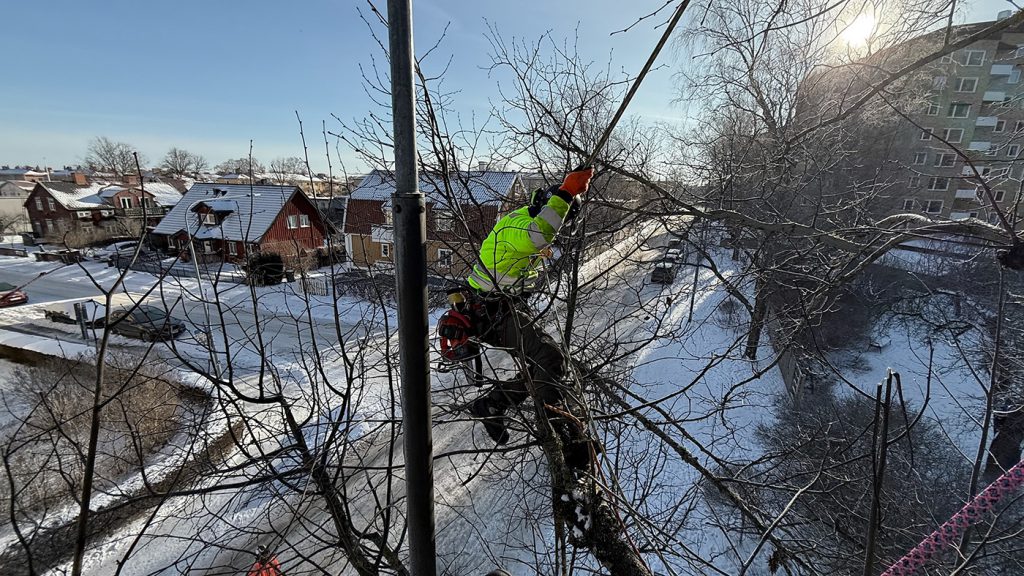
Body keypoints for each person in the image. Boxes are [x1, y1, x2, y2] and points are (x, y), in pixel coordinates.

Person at [463, 167, 596, 468]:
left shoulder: (525, 223)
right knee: (549, 359)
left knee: (544, 366)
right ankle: (566, 439)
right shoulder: (522, 227)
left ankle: (493, 403)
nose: (559, 229)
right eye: (561, 218)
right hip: (492, 311)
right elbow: (540, 233)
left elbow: (540, 238)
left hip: (503, 307)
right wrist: (566, 193)